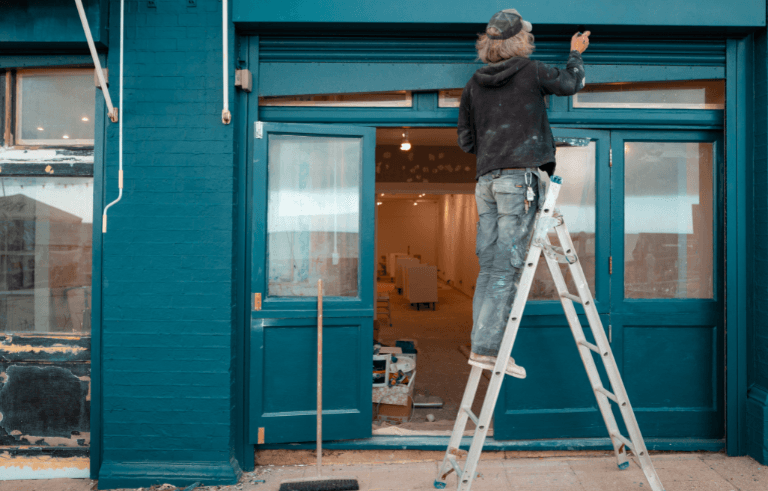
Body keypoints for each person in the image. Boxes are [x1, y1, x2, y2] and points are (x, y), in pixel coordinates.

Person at [457, 9, 590, 378]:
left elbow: (467, 142)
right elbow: (571, 84)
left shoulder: (473, 83)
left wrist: (496, 144)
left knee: (490, 267)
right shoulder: (531, 71)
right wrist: (575, 53)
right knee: (507, 267)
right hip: (520, 182)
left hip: (486, 183)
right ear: (522, 42)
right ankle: (486, 350)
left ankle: (480, 346)